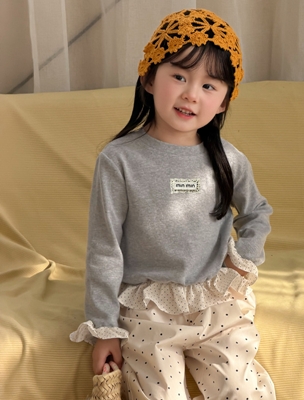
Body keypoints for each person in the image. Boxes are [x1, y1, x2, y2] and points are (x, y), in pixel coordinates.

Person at [71, 8, 276, 400]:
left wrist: (242, 261)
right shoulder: (118, 160)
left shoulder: (229, 159)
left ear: (223, 102)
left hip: (216, 305)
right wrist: (104, 329)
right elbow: (104, 248)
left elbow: (257, 212)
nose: (191, 94)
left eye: (209, 85)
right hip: (147, 310)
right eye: (179, 76)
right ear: (149, 78)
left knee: (244, 391)